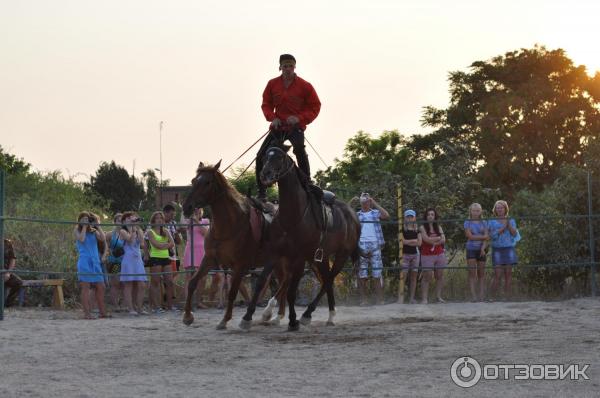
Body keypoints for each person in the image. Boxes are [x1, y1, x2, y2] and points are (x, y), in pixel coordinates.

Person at [256, 53, 321, 201]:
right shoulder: (272, 84)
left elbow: (315, 106)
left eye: (290, 66)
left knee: (299, 150)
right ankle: (261, 191)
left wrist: (299, 118)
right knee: (260, 155)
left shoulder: (305, 86)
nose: (288, 69)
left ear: (294, 67)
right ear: (280, 67)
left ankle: (307, 182)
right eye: (285, 66)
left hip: (295, 127)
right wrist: (272, 118)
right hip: (278, 127)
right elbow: (266, 104)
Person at [356, 192, 390, 305]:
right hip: (361, 245)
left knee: (377, 274)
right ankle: (363, 300)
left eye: (367, 201)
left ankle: (380, 300)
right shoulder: (357, 215)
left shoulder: (375, 213)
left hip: (375, 244)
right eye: (363, 201)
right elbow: (344, 215)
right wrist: (351, 202)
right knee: (362, 274)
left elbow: (386, 215)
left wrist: (374, 202)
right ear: (360, 202)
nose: (365, 203)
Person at [73, 212, 108, 319]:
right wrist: (83, 226)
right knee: (86, 288)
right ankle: (87, 314)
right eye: (83, 219)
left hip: (95, 262)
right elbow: (82, 239)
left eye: (87, 219)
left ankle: (103, 312)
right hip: (84, 262)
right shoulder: (76, 230)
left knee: (101, 286)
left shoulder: (93, 232)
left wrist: (98, 226)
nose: (86, 220)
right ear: (79, 220)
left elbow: (103, 239)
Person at [488, 200, 520, 300]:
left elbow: (515, 234)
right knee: (497, 274)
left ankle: (507, 297)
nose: (499, 209)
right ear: (495, 209)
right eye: (497, 208)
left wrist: (508, 224)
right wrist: (503, 227)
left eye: (501, 207)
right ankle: (492, 297)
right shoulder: (491, 221)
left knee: (508, 274)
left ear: (505, 209)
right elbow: (491, 236)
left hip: (509, 248)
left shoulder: (511, 220)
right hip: (497, 249)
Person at [119, 211, 148, 315]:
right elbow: (130, 240)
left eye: (132, 217)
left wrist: (136, 227)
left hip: (138, 259)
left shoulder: (137, 229)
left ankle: (139, 308)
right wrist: (131, 228)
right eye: (128, 218)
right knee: (129, 284)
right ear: (124, 221)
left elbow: (142, 242)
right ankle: (131, 308)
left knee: (141, 284)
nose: (131, 219)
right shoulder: (122, 231)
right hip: (128, 259)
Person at [182, 207, 211, 309]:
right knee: (189, 276)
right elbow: (184, 227)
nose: (196, 212)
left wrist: (197, 221)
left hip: (202, 250)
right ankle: (188, 302)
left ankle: (198, 301)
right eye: (194, 210)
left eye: (198, 210)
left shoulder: (206, 221)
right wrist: (191, 220)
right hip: (190, 249)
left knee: (202, 278)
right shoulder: (188, 221)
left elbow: (206, 233)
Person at [148, 211, 176, 312]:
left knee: (169, 282)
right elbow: (156, 245)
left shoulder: (166, 230)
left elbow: (172, 243)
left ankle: (170, 306)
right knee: (155, 282)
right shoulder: (150, 232)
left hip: (166, 258)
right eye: (157, 218)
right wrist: (165, 245)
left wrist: (162, 245)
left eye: (161, 218)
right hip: (155, 258)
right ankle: (156, 307)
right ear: (153, 220)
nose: (159, 220)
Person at [419, 208, 447, 304]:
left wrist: (435, 240)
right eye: (428, 214)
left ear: (435, 217)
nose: (430, 216)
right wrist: (438, 239)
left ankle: (438, 297)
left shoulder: (438, 227)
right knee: (427, 276)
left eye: (432, 214)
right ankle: (424, 299)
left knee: (439, 275)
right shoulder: (422, 228)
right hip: (427, 254)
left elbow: (444, 240)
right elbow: (427, 240)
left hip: (439, 254)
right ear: (426, 216)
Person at [464, 203, 488, 302]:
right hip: (471, 249)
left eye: (478, 210)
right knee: (472, 273)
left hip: (481, 249)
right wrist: (483, 236)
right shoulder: (467, 222)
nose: (476, 212)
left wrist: (483, 248)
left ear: (481, 211)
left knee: (481, 274)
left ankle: (481, 295)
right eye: (474, 210)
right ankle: (473, 296)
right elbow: (470, 236)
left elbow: (487, 238)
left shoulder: (484, 222)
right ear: (470, 211)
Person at [400, 209, 421, 304]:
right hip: (404, 254)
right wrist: (413, 241)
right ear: (405, 218)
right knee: (403, 276)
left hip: (415, 255)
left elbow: (419, 243)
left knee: (413, 277)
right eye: (408, 216)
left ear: (414, 218)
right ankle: (400, 298)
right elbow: (402, 242)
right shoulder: (401, 229)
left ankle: (411, 298)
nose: (409, 218)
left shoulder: (418, 229)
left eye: (411, 216)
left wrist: (408, 242)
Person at [105, 213, 125, 311]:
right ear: (115, 221)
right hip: (114, 261)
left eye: (122, 220)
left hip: (125, 261)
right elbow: (105, 247)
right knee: (115, 283)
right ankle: (115, 305)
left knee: (124, 283)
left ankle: (122, 303)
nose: (120, 222)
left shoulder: (126, 233)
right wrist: (109, 253)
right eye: (118, 220)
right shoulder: (110, 234)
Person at [3, 238, 22, 308]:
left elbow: (12, 259)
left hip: (5, 272)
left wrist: (8, 273)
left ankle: (7, 304)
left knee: (18, 282)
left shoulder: (7, 243)